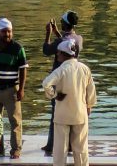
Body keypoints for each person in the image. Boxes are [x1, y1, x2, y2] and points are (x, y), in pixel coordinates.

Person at [42, 39, 97, 166]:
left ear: (62, 53)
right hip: (80, 114)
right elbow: (91, 91)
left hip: (62, 115)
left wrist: (54, 95)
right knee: (81, 150)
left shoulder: (61, 70)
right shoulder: (84, 69)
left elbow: (46, 84)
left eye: (58, 53)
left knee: (60, 151)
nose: (57, 55)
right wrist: (89, 106)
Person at [0, 17, 28, 159]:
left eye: (9, 32)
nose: (7, 34)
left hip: (11, 89)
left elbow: (23, 69)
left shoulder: (18, 49)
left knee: (15, 121)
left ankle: (16, 149)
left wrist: (21, 89)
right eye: (4, 32)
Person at [42, 12, 85, 154]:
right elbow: (67, 43)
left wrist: (48, 33)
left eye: (61, 22)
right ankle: (72, 145)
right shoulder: (78, 39)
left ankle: (52, 144)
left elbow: (46, 50)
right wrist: (57, 32)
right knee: (73, 111)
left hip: (60, 79)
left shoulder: (59, 43)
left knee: (57, 112)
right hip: (75, 79)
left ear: (65, 24)